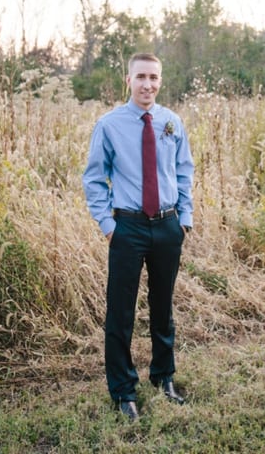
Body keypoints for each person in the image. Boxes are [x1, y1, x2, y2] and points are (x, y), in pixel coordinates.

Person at [83, 52, 194, 421]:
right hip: (127, 227)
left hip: (167, 226)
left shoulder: (171, 122)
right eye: (141, 77)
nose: (148, 84)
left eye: (154, 77)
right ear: (128, 80)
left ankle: (163, 377)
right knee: (121, 313)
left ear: (161, 81)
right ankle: (123, 391)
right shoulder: (109, 125)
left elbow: (183, 171)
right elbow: (94, 178)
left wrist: (184, 219)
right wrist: (108, 226)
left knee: (163, 309)